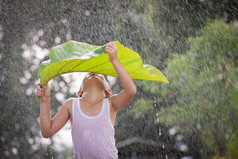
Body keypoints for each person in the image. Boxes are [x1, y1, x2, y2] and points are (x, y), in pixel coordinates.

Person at [36, 42, 136, 159]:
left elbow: (131, 91)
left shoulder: (110, 105)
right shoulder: (71, 105)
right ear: (80, 92)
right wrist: (45, 100)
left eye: (100, 75)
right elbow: (47, 131)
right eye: (88, 74)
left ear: (107, 91)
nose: (93, 72)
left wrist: (114, 60)